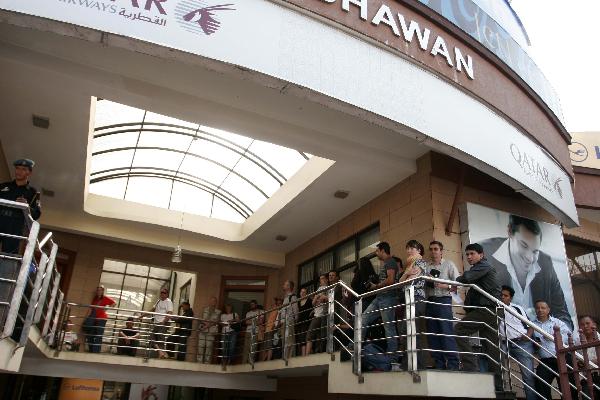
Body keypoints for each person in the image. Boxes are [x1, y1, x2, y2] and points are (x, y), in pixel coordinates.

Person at [480, 215, 572, 329]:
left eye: (535, 251)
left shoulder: (545, 262)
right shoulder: (484, 253)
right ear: (510, 232)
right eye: (523, 246)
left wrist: (556, 336)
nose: (530, 258)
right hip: (504, 337)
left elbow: (562, 315)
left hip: (541, 340)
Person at [454, 243, 502, 390]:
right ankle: (498, 387)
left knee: (459, 330)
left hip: (487, 310)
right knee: (491, 348)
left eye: (472, 254)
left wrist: (455, 280)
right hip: (489, 311)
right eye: (467, 254)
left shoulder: (483, 266)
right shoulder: (480, 269)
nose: (469, 257)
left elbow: (466, 278)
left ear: (481, 255)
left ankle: (470, 367)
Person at [361, 242, 399, 362]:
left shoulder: (390, 261)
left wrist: (376, 285)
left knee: (389, 327)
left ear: (382, 250)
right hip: (380, 298)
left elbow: (391, 280)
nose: (376, 253)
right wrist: (376, 285)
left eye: (377, 251)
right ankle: (356, 345)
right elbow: (386, 279)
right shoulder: (386, 263)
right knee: (363, 318)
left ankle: (392, 355)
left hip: (388, 298)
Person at [425, 240, 460, 370]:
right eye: (431, 249)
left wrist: (446, 285)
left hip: (444, 300)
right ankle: (439, 364)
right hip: (430, 301)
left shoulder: (449, 264)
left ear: (441, 251)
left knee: (446, 331)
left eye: (436, 249)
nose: (433, 251)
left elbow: (459, 284)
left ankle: (453, 364)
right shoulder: (427, 266)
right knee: (432, 334)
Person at [532, 300, 575, 400]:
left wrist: (554, 337)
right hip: (546, 360)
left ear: (548, 310)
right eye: (538, 308)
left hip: (563, 358)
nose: (540, 310)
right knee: (540, 382)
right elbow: (531, 340)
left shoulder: (557, 322)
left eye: (543, 308)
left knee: (568, 387)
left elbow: (568, 336)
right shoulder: (532, 325)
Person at [499, 285, 535, 400]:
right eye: (501, 295)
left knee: (528, 375)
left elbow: (530, 325)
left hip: (522, 343)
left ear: (510, 298)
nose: (502, 297)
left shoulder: (517, 308)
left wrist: (528, 335)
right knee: (498, 369)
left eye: (506, 295)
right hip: (504, 343)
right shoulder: (494, 308)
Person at [0, 159, 41, 254]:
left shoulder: (33, 192)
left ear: (29, 173)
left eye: (23, 169)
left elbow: (37, 214)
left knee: (8, 255)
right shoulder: (3, 186)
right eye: (17, 168)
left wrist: (26, 206)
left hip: (15, 225)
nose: (19, 171)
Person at [398, 240, 427, 369]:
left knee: (411, 330)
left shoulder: (420, 262)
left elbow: (410, 280)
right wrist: (406, 274)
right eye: (407, 248)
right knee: (407, 330)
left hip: (416, 297)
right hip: (409, 298)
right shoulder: (410, 265)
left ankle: (414, 365)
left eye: (412, 248)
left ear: (419, 250)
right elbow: (400, 282)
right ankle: (409, 363)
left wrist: (406, 276)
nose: (409, 250)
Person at [574, 315, 599, 398]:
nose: (585, 326)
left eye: (587, 323)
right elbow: (578, 363)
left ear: (594, 324)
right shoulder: (578, 343)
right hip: (586, 378)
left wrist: (586, 363)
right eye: (582, 324)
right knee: (586, 397)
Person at [86, 286, 115, 353]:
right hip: (94, 319)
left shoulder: (105, 298)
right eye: (98, 290)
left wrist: (107, 308)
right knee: (90, 334)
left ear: (102, 291)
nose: (98, 291)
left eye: (100, 290)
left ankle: (96, 351)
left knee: (99, 335)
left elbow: (114, 303)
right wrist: (87, 317)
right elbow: (91, 308)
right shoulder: (95, 299)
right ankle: (91, 350)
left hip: (102, 318)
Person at [306, 274, 329, 355]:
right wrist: (317, 297)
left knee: (310, 334)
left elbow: (325, 299)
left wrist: (319, 297)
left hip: (321, 314)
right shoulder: (319, 288)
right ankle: (314, 352)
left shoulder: (328, 288)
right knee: (317, 334)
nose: (321, 280)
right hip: (317, 313)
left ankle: (307, 354)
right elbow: (313, 303)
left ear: (326, 280)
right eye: (320, 279)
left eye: (323, 278)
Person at [276, 280, 299, 359]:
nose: (283, 285)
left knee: (289, 339)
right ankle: (285, 356)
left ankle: (290, 356)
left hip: (289, 320)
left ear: (289, 287)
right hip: (284, 321)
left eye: (285, 284)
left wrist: (295, 319)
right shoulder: (286, 298)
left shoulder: (292, 296)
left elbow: (295, 309)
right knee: (284, 339)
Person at [148, 288, 173, 359]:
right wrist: (141, 316)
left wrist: (164, 322)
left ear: (167, 294)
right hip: (157, 323)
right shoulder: (158, 301)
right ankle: (161, 353)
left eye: (164, 293)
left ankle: (161, 354)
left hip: (163, 323)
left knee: (160, 339)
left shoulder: (168, 302)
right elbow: (152, 310)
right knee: (151, 337)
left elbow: (170, 313)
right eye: (161, 292)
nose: (162, 293)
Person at [198, 296, 221, 363]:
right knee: (200, 347)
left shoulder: (218, 312)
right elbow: (201, 319)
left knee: (209, 348)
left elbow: (216, 321)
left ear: (216, 302)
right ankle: (199, 362)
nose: (212, 302)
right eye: (211, 301)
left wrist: (207, 325)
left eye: (214, 301)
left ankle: (206, 363)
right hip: (202, 331)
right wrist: (204, 325)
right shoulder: (205, 309)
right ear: (210, 302)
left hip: (211, 332)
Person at [263, 297, 283, 361]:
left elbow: (278, 321)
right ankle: (264, 360)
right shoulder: (273, 310)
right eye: (277, 303)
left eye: (280, 303)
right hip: (267, 329)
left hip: (272, 330)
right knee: (266, 347)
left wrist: (274, 328)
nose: (278, 304)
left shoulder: (279, 311)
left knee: (270, 347)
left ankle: (267, 361)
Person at [295, 288, 312, 356]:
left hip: (306, 321)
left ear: (306, 293)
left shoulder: (309, 300)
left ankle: (304, 355)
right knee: (300, 338)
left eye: (304, 292)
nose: (302, 293)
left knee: (304, 337)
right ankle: (302, 354)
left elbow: (313, 308)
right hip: (299, 322)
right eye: (301, 292)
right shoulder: (298, 301)